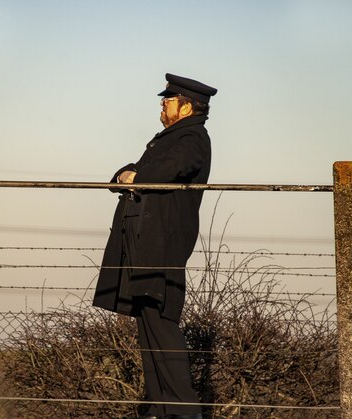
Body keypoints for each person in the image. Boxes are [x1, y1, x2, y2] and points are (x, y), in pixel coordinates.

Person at [93, 73, 217, 419]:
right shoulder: (169, 137)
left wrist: (136, 175)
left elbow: (167, 169)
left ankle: (183, 410)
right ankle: (161, 409)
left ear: (187, 106)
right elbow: (131, 171)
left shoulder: (193, 138)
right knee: (147, 324)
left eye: (169, 100)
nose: (162, 105)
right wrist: (129, 175)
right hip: (142, 242)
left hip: (161, 243)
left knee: (161, 322)